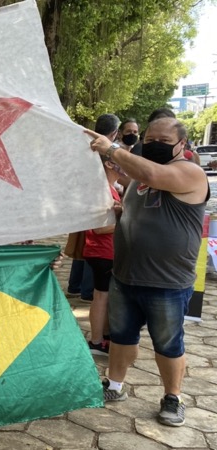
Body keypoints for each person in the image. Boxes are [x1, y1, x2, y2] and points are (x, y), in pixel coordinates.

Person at [86, 117, 209, 427]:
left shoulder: (189, 172)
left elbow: (154, 173)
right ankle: (114, 385)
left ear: (183, 144)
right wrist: (119, 211)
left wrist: (111, 148)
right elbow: (135, 202)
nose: (153, 144)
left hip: (167, 282)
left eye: (164, 141)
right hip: (125, 276)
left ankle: (173, 396)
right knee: (122, 338)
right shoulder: (140, 181)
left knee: (168, 344)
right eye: (150, 138)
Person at [84, 114, 123, 357]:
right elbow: (99, 228)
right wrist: (126, 223)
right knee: (101, 297)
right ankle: (97, 341)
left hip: (104, 252)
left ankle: (103, 337)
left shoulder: (108, 189)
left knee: (104, 297)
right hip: (101, 252)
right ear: (109, 164)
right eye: (117, 160)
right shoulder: (101, 190)